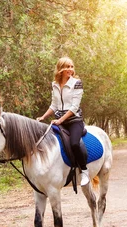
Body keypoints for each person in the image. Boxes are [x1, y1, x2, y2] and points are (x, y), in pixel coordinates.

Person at [37, 57, 90, 186]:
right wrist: (43, 117)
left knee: (74, 144)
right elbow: (54, 105)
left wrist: (60, 120)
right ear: (60, 68)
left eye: (72, 66)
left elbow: (74, 107)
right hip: (58, 121)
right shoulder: (54, 84)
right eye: (68, 67)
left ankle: (84, 171)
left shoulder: (76, 83)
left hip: (74, 121)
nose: (70, 69)